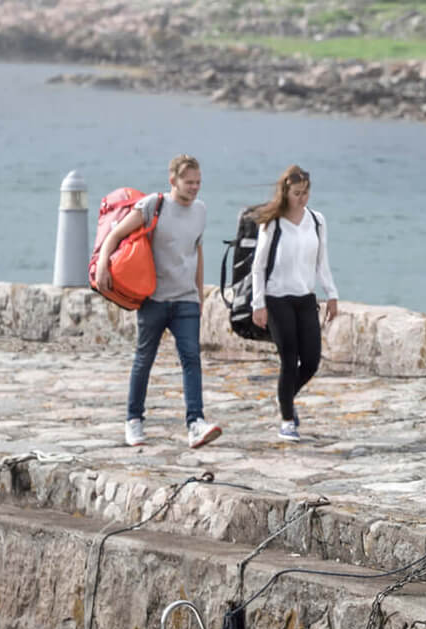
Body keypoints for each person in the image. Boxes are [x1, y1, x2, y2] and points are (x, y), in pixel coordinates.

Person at [96, 154, 221, 448]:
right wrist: (103, 264)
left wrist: (199, 293)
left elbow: (196, 252)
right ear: (173, 180)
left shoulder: (201, 211)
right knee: (144, 360)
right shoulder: (154, 205)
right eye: (189, 182)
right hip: (153, 299)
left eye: (198, 182)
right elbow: (116, 234)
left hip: (186, 300)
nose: (194, 188)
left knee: (192, 360)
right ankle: (133, 420)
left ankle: (195, 424)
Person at [248, 165, 337, 441]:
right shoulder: (272, 222)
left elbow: (322, 261)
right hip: (276, 299)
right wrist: (258, 303)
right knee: (289, 359)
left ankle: (284, 398)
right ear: (285, 192)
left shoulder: (317, 220)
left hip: (305, 297)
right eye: (297, 193)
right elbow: (258, 267)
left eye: (306, 192)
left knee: (310, 361)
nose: (303, 198)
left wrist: (331, 294)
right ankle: (287, 420)